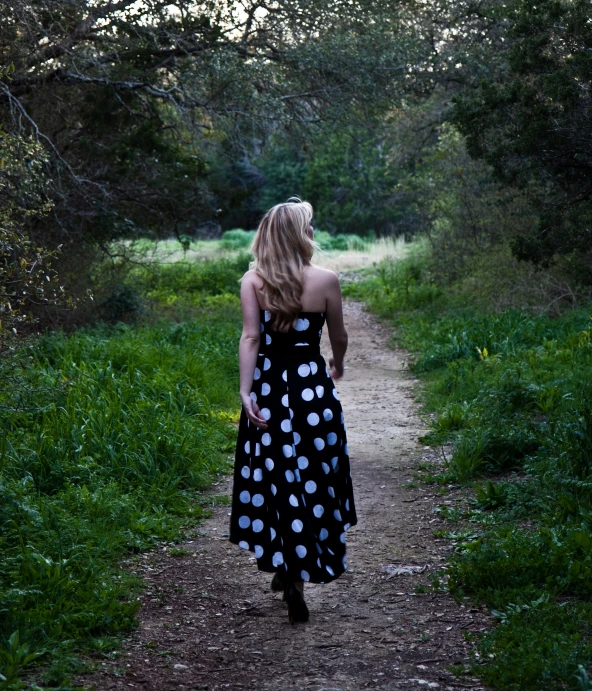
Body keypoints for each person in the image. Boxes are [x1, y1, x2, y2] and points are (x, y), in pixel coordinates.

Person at [228, 198, 357, 624]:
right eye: (310, 226)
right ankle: (300, 570)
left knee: (277, 479)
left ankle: (288, 570)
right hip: (310, 393)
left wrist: (246, 393)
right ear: (300, 235)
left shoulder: (253, 281)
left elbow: (251, 339)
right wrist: (336, 365)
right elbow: (337, 336)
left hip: (269, 390)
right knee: (316, 476)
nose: (313, 233)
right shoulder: (326, 280)